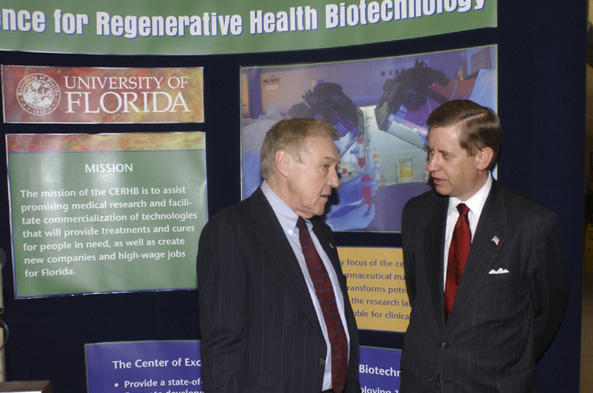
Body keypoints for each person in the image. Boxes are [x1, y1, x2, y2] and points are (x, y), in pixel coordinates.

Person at [400, 100, 568, 393]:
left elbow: (546, 313)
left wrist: (503, 361)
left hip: (492, 383)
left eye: (445, 155)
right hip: (423, 380)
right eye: (430, 152)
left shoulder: (531, 224)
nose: (431, 165)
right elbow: (419, 294)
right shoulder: (417, 213)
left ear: (482, 157)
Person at [197, 118, 361, 393]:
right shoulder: (231, 231)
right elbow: (222, 349)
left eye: (335, 167)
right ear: (283, 163)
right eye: (325, 166)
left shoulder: (320, 234)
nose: (335, 180)